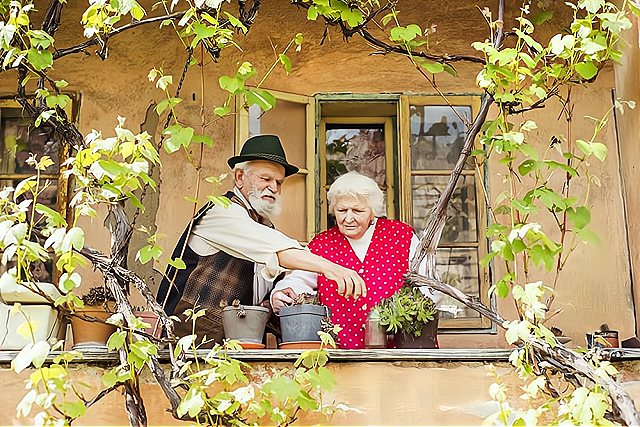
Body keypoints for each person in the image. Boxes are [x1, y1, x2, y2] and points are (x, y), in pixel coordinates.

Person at [156, 135, 366, 343]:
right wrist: (332, 268)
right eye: (265, 179)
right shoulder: (222, 211)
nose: (273, 188)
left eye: (279, 182)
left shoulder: (262, 226)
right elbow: (279, 250)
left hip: (230, 353)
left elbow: (255, 291)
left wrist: (274, 300)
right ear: (239, 177)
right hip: (186, 348)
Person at [271, 171, 442, 349]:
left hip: (398, 354)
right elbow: (298, 281)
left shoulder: (402, 236)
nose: (348, 218)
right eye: (342, 210)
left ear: (372, 211)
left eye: (358, 211)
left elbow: (431, 287)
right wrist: (282, 293)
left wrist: (407, 318)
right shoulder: (321, 245)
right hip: (339, 354)